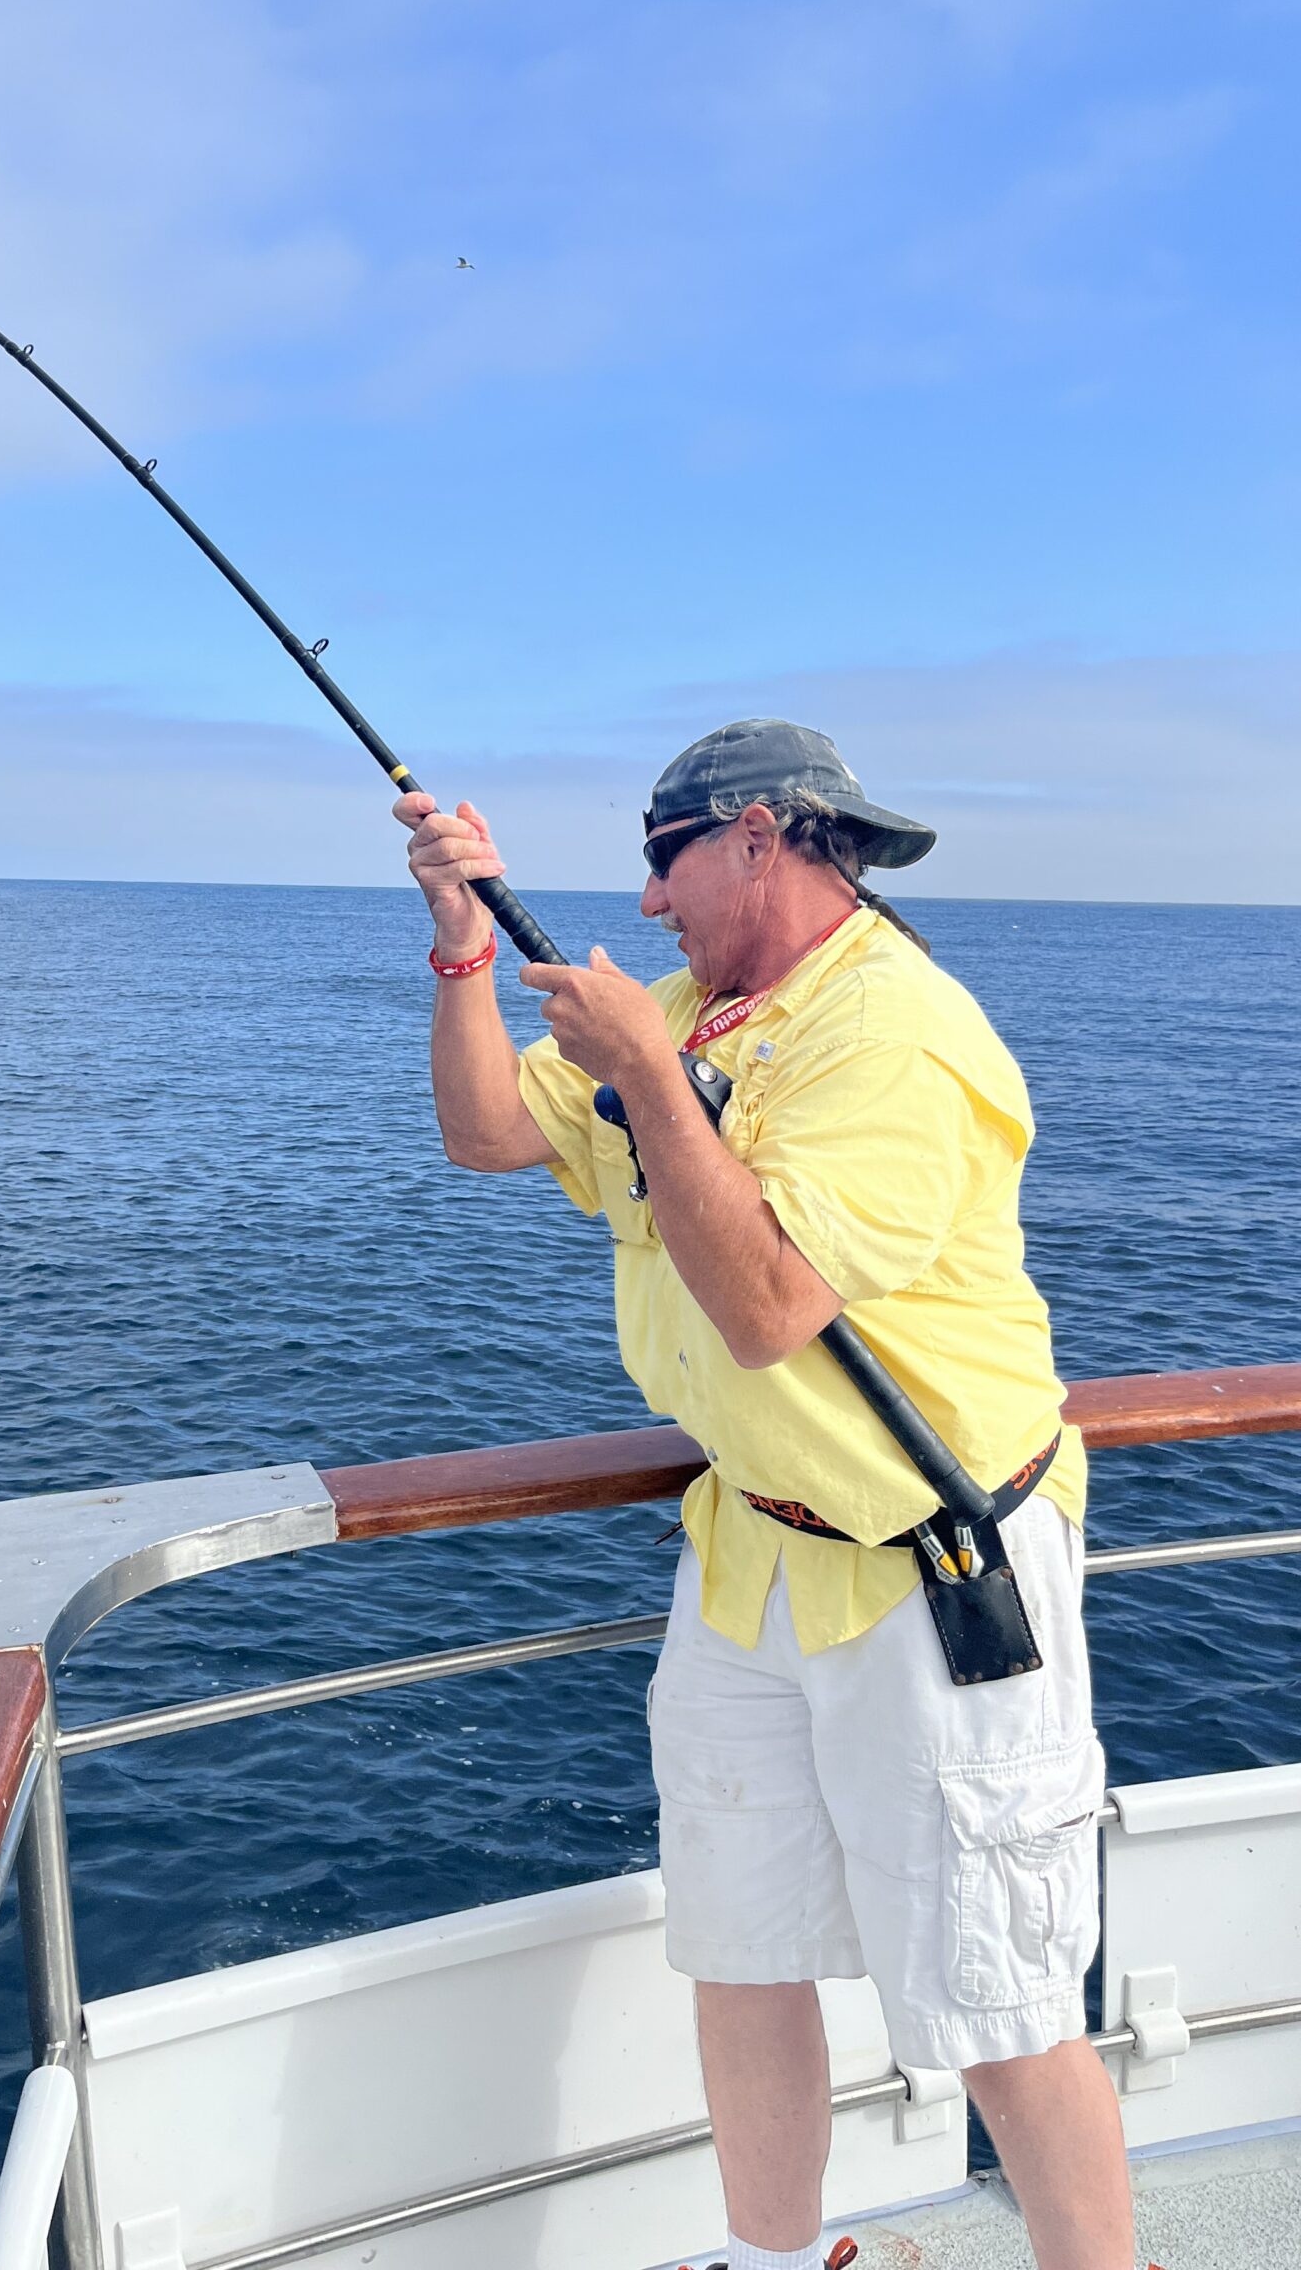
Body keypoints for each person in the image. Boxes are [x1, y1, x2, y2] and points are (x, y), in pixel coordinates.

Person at [395, 719, 1137, 2270]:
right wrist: (465, 947)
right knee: (738, 1949)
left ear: (757, 835)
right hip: (747, 1555)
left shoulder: (898, 1034)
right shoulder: (691, 1011)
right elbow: (482, 1134)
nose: (649, 906)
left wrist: (654, 1081)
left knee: (998, 1997)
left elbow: (770, 1306)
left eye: (662, 863)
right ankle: (780, 2261)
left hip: (929, 1575)